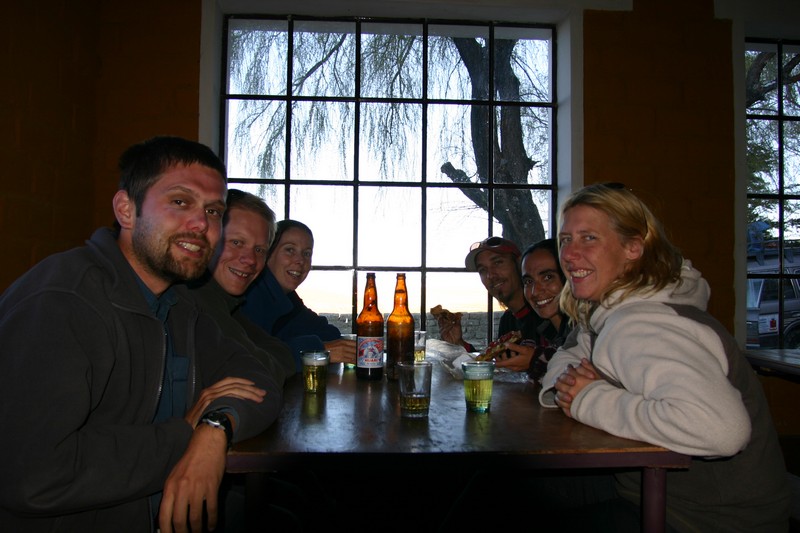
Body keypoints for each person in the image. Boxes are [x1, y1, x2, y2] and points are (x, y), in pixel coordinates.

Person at [0, 136, 283, 532]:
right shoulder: (62, 299)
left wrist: (215, 427)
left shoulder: (180, 306)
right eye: (180, 202)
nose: (202, 224)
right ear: (126, 210)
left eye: (214, 211)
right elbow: (32, 475)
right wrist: (185, 436)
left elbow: (259, 379)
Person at [540, 182, 790, 531]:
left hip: (707, 519)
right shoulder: (612, 308)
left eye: (589, 238)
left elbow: (722, 432)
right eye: (566, 239)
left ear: (633, 248)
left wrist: (590, 397)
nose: (568, 254)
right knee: (505, 485)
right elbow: (569, 355)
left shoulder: (641, 323)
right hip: (641, 486)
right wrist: (574, 384)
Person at [191, 189, 296, 385]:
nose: (250, 260)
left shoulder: (229, 304)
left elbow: (284, 354)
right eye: (236, 242)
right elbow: (262, 370)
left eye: (259, 250)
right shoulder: (195, 299)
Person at [242, 219, 356, 370]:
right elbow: (251, 358)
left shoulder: (288, 299)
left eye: (307, 253)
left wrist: (294, 345)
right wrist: (318, 350)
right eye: (290, 250)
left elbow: (331, 334)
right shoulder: (249, 295)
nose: (300, 260)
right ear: (268, 254)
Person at [435, 236, 545, 371]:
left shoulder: (546, 312)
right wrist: (458, 344)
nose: (490, 275)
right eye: (483, 270)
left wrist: (537, 362)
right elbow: (494, 364)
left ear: (520, 264)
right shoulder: (508, 320)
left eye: (498, 263)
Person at [506, 237, 572, 383]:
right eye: (528, 282)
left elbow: (584, 375)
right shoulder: (545, 329)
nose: (535, 292)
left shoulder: (587, 329)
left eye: (548, 277)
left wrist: (536, 361)